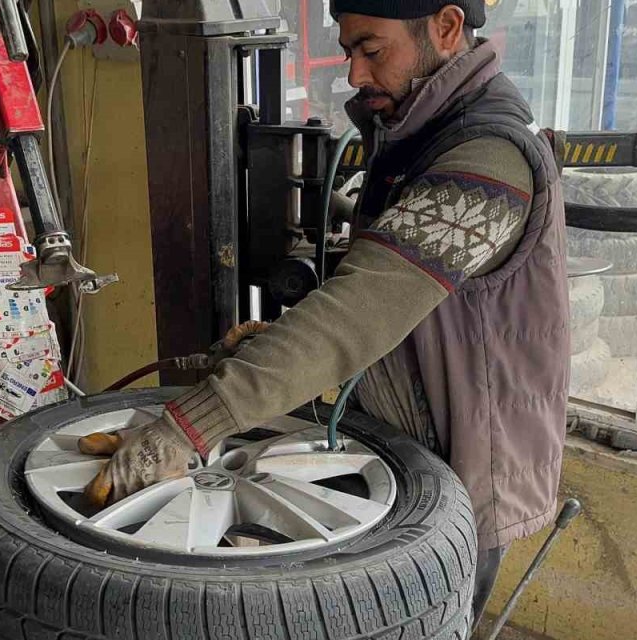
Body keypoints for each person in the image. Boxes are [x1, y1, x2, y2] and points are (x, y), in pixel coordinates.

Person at [81, 0, 570, 629]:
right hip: (401, 439)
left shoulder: (489, 163)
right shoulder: (415, 135)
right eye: (348, 52)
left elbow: (358, 313)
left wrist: (186, 428)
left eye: (372, 49)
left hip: (466, 468)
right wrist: (277, 349)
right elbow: (393, 310)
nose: (356, 75)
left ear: (447, 29)